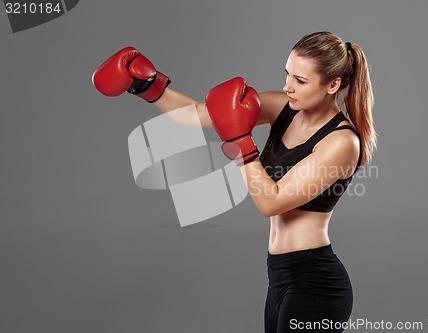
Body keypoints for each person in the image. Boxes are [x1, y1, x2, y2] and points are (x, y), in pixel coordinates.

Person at [93, 31, 376, 333]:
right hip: (279, 275)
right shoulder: (285, 108)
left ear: (333, 84)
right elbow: (201, 116)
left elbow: (272, 201)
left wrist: (241, 142)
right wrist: (149, 85)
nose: (287, 86)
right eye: (287, 74)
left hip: (315, 281)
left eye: (301, 81)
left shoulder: (342, 142)